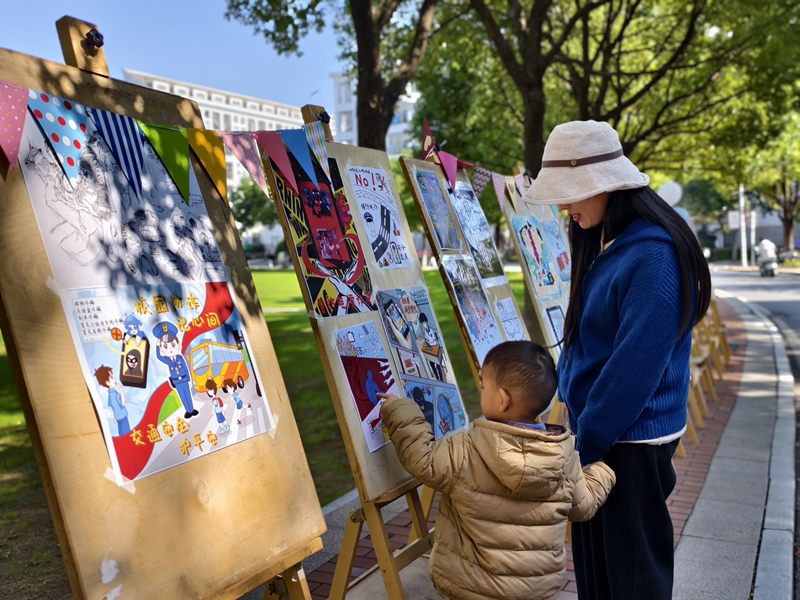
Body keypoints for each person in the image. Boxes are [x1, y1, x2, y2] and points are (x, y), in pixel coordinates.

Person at [523, 120, 712, 600]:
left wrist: (587, 446)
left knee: (630, 578)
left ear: (605, 185)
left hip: (627, 442)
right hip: (602, 435)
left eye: (571, 193)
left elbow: (633, 370)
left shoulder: (654, 257)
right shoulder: (614, 242)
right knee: (598, 574)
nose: (564, 206)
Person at [380, 341, 615, 600]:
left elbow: (421, 458)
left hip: (472, 588)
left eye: (483, 387)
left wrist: (400, 411)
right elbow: (583, 506)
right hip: (535, 591)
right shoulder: (565, 458)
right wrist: (603, 472)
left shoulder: (466, 449)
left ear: (502, 399)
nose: (481, 392)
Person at [95, 365, 130, 436]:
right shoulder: (115, 394)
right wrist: (121, 390)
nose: (114, 379)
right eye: (111, 377)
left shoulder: (110, 394)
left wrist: (114, 416)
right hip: (123, 416)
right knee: (127, 434)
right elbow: (123, 403)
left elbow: (111, 405)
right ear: (107, 383)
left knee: (121, 434)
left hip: (117, 417)